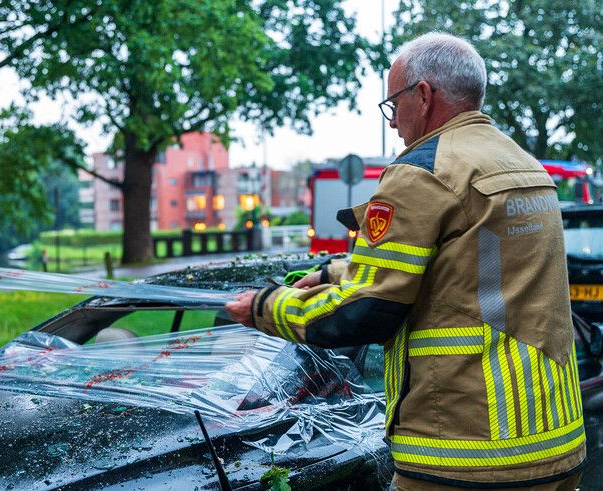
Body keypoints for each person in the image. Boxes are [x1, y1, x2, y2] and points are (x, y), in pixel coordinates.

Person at [226, 33, 585, 490]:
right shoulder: (523, 165)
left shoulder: (424, 169)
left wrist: (263, 307)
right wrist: (325, 273)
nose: (393, 122)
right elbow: (461, 267)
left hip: (464, 451)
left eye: (392, 103)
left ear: (423, 95)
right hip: (554, 440)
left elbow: (364, 313)